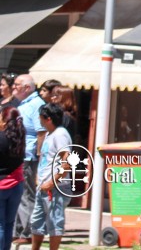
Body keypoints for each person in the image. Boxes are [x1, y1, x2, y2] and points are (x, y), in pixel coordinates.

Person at [30, 103, 72, 250]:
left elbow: (67, 163)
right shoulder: (50, 134)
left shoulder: (60, 134)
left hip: (56, 188)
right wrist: (38, 178)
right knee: (37, 222)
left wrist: (52, 182)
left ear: (47, 119)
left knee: (55, 223)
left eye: (40, 117)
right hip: (43, 185)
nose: (39, 120)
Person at [12, 74, 46, 245]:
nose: (13, 87)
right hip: (19, 155)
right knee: (18, 194)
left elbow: (41, 132)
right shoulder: (24, 104)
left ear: (27, 88)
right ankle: (18, 230)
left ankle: (27, 232)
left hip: (29, 157)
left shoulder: (36, 105)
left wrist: (39, 157)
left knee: (26, 195)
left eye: (16, 85)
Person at [0, 107, 25, 250]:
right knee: (9, 223)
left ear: (4, 119)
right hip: (16, 185)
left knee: (0, 225)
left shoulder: (1, 138)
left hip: (1, 185)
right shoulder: (20, 137)